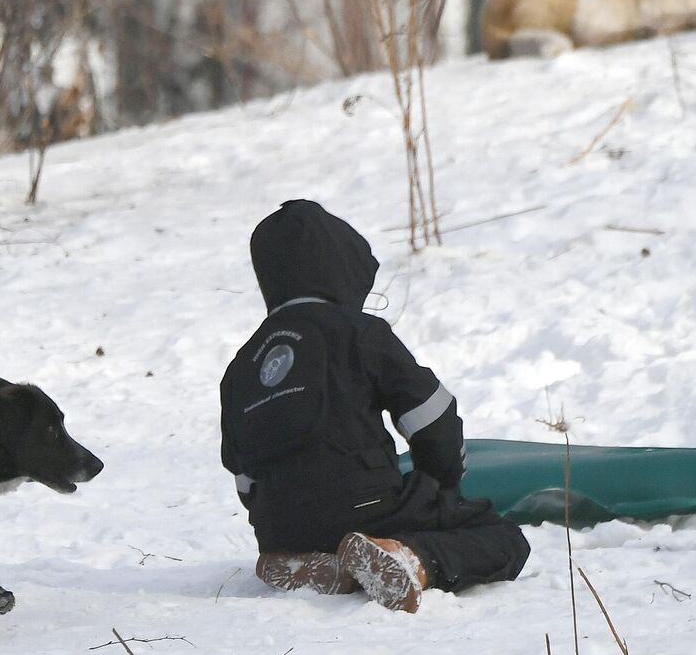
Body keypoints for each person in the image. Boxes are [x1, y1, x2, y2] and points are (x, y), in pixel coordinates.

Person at [220, 200, 530, 611]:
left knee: (316, 525)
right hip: (366, 505)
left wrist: (280, 512)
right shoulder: (358, 332)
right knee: (502, 538)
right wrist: (441, 489)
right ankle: (408, 561)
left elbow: (243, 477)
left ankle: (319, 564)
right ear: (340, 268)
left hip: (278, 526)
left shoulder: (242, 366)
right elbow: (432, 416)